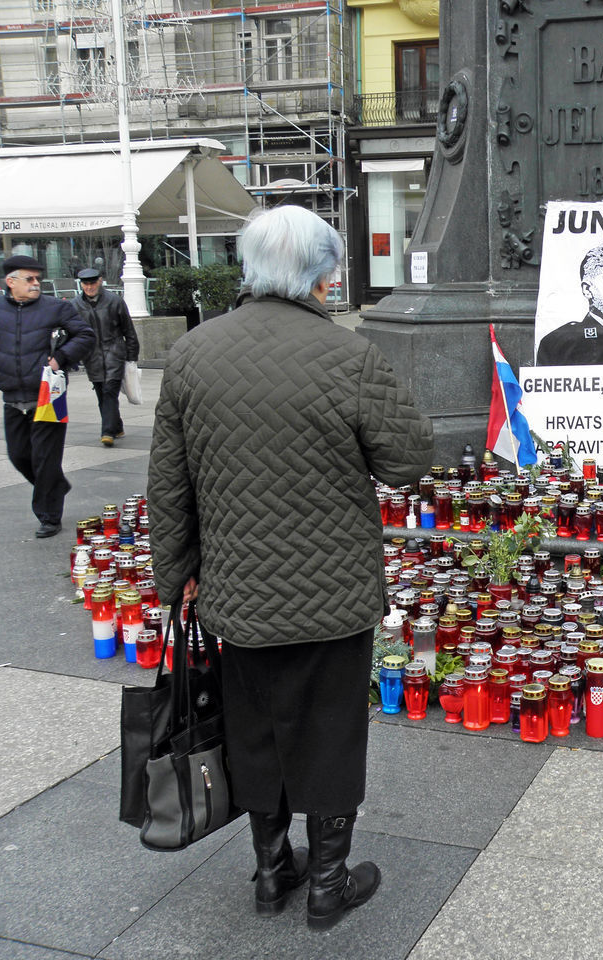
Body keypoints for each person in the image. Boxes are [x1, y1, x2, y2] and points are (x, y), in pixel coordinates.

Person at [148, 207, 433, 930]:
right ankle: (328, 884)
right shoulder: (348, 355)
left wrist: (173, 574)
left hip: (236, 591)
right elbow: (408, 463)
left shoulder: (191, 354)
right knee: (330, 731)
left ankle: (271, 874)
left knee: (253, 728)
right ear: (319, 273)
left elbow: (168, 484)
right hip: (331, 592)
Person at [0, 254, 95, 538]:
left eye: (38, 279)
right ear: (10, 281)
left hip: (48, 396)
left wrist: (60, 358)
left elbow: (85, 336)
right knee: (19, 456)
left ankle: (49, 516)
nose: (36, 283)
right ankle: (55, 485)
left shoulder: (54, 308)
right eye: (29, 279)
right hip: (12, 396)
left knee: (45, 459)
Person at [72, 268, 139, 447]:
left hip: (114, 353)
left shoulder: (114, 301)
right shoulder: (75, 305)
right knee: (102, 393)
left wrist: (132, 357)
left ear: (100, 281)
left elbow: (128, 330)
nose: (89, 287)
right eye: (85, 284)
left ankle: (107, 431)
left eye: (92, 283)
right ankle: (116, 426)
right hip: (91, 356)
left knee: (110, 390)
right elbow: (71, 332)